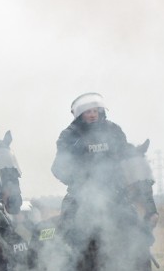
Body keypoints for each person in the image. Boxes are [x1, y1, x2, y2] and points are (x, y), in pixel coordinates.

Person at [51, 92, 131, 239]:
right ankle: (67, 259)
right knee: (65, 226)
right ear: (80, 114)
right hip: (81, 195)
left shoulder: (114, 131)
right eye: (88, 112)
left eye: (95, 111)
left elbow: (126, 158)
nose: (93, 115)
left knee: (136, 224)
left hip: (115, 192)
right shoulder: (69, 135)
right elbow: (58, 168)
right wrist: (80, 181)